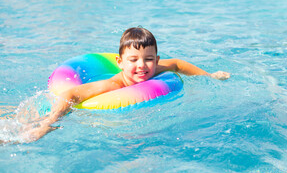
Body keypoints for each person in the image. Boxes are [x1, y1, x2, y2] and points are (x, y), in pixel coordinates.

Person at [23, 27, 230, 142]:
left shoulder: (155, 69)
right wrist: (46, 124)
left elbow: (177, 64)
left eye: (148, 59)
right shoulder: (113, 85)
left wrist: (209, 76)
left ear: (156, 60)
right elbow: (71, 95)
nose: (142, 66)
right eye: (133, 60)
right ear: (120, 63)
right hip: (79, 113)